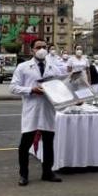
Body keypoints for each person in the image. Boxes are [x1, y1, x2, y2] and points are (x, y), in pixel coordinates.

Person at [11, 38, 64, 186]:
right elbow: (13, 87)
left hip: (48, 108)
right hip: (32, 109)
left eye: (44, 47)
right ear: (32, 49)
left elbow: (60, 87)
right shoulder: (23, 67)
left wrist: (72, 98)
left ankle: (47, 172)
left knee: (48, 142)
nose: (41, 50)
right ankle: (23, 175)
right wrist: (31, 90)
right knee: (25, 144)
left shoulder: (54, 68)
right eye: (38, 47)